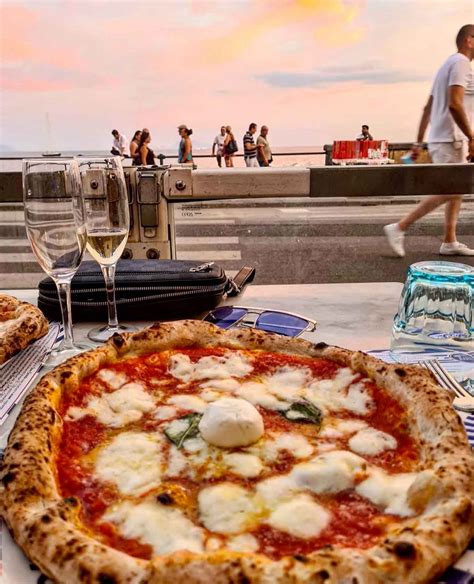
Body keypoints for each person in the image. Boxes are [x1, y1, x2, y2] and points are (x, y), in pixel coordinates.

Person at [384, 24, 474, 257]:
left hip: (442, 138)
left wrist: (418, 142)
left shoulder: (447, 65)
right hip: (450, 138)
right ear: (469, 40)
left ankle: (449, 241)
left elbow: (428, 107)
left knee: (456, 189)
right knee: (453, 188)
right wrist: (472, 137)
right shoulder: (461, 64)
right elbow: (455, 104)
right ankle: (399, 227)